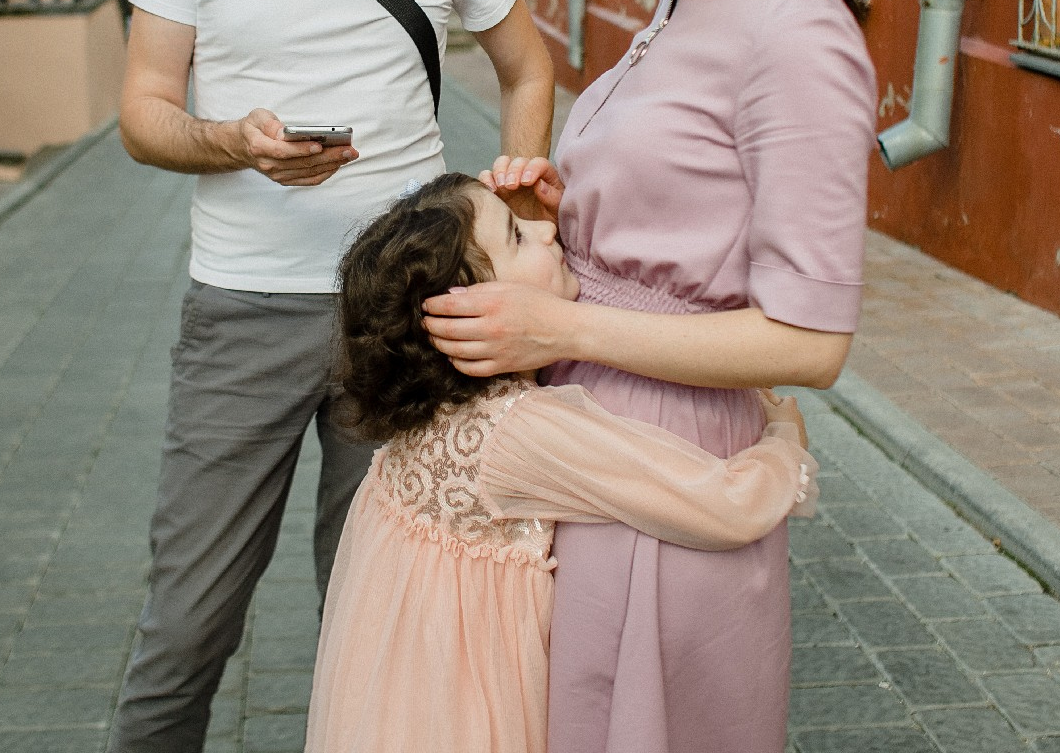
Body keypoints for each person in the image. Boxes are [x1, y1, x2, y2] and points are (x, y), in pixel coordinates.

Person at [110, 0, 556, 752]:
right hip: (244, 303)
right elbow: (143, 113)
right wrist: (233, 141)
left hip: (410, 310)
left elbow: (528, 62)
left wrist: (512, 203)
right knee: (188, 622)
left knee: (390, 620)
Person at [423, 0, 877, 753]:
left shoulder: (797, 36)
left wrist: (562, 333)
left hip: (667, 471)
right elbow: (675, 216)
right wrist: (555, 216)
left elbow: (810, 343)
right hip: (598, 445)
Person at [309, 174, 817, 753]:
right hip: (473, 713)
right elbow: (722, 505)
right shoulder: (516, 433)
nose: (547, 228)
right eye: (517, 238)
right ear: (474, 307)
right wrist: (783, 443)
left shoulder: (428, 413)